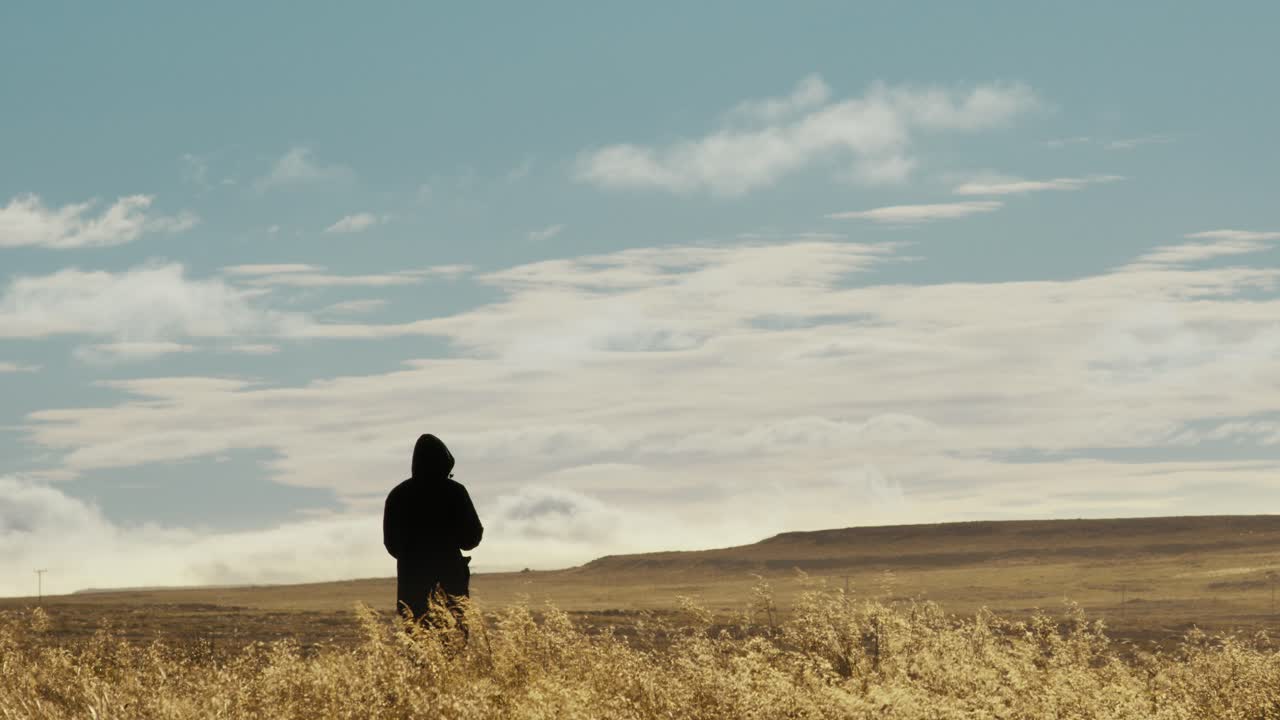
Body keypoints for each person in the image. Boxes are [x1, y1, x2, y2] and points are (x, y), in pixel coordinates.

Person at [383, 434, 484, 633]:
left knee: (419, 650)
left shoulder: (398, 495)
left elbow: (392, 544)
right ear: (445, 463)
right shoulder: (455, 492)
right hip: (450, 584)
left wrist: (412, 557)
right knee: (453, 647)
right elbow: (471, 538)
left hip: (411, 587)